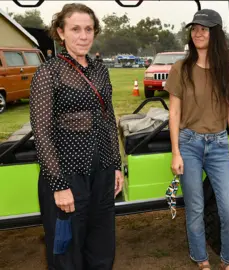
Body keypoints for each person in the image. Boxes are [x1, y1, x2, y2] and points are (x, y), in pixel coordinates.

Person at [29, 3, 123, 269]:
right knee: (66, 253)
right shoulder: (48, 73)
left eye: (89, 29)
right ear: (61, 32)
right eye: (76, 29)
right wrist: (58, 186)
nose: (83, 36)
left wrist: (115, 165)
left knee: (102, 248)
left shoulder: (100, 70)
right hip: (67, 176)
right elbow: (42, 132)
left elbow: (108, 119)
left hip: (102, 173)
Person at [165, 9, 229, 270]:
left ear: (215, 34)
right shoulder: (181, 68)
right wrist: (175, 151)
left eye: (204, 28)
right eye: (195, 28)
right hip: (189, 144)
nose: (198, 32)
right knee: (195, 208)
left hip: (220, 145)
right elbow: (173, 112)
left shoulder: (227, 69)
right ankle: (202, 260)